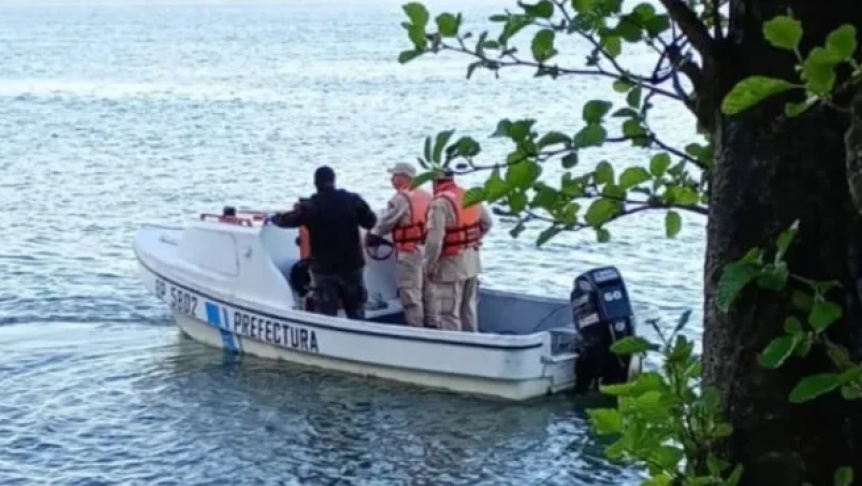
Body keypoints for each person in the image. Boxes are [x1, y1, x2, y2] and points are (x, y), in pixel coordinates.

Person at [269, 166, 377, 320]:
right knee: (357, 313)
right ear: (334, 181)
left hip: (324, 270)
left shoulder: (311, 206)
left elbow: (287, 221)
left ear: (315, 183)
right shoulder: (352, 200)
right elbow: (370, 221)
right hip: (352, 265)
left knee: (326, 317)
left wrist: (274, 218)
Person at [423, 170, 493, 332]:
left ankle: (453, 351)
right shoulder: (469, 196)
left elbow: (434, 241)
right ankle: (473, 345)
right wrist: (473, 239)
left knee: (449, 313)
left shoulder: (440, 203)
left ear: (435, 182)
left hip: (450, 265)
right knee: (468, 308)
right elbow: (487, 223)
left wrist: (429, 265)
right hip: (472, 262)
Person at [368, 162, 434, 328]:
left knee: (411, 292)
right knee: (429, 291)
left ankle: (416, 330)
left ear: (404, 177)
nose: (392, 179)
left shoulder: (401, 198)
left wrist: (373, 234)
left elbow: (386, 223)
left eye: (395, 175)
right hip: (429, 249)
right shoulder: (427, 195)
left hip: (410, 251)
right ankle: (434, 325)